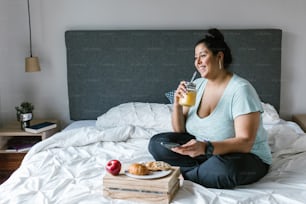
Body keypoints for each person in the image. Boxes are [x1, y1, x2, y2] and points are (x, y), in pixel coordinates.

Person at [148, 28, 272, 189]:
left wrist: (207, 148)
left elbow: (245, 142)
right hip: (202, 153)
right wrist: (177, 104)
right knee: (157, 143)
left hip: (242, 156)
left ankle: (186, 173)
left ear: (219, 57)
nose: (197, 62)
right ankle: (201, 173)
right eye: (195, 58)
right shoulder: (196, 86)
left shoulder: (241, 90)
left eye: (203, 55)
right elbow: (180, 132)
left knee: (224, 168)